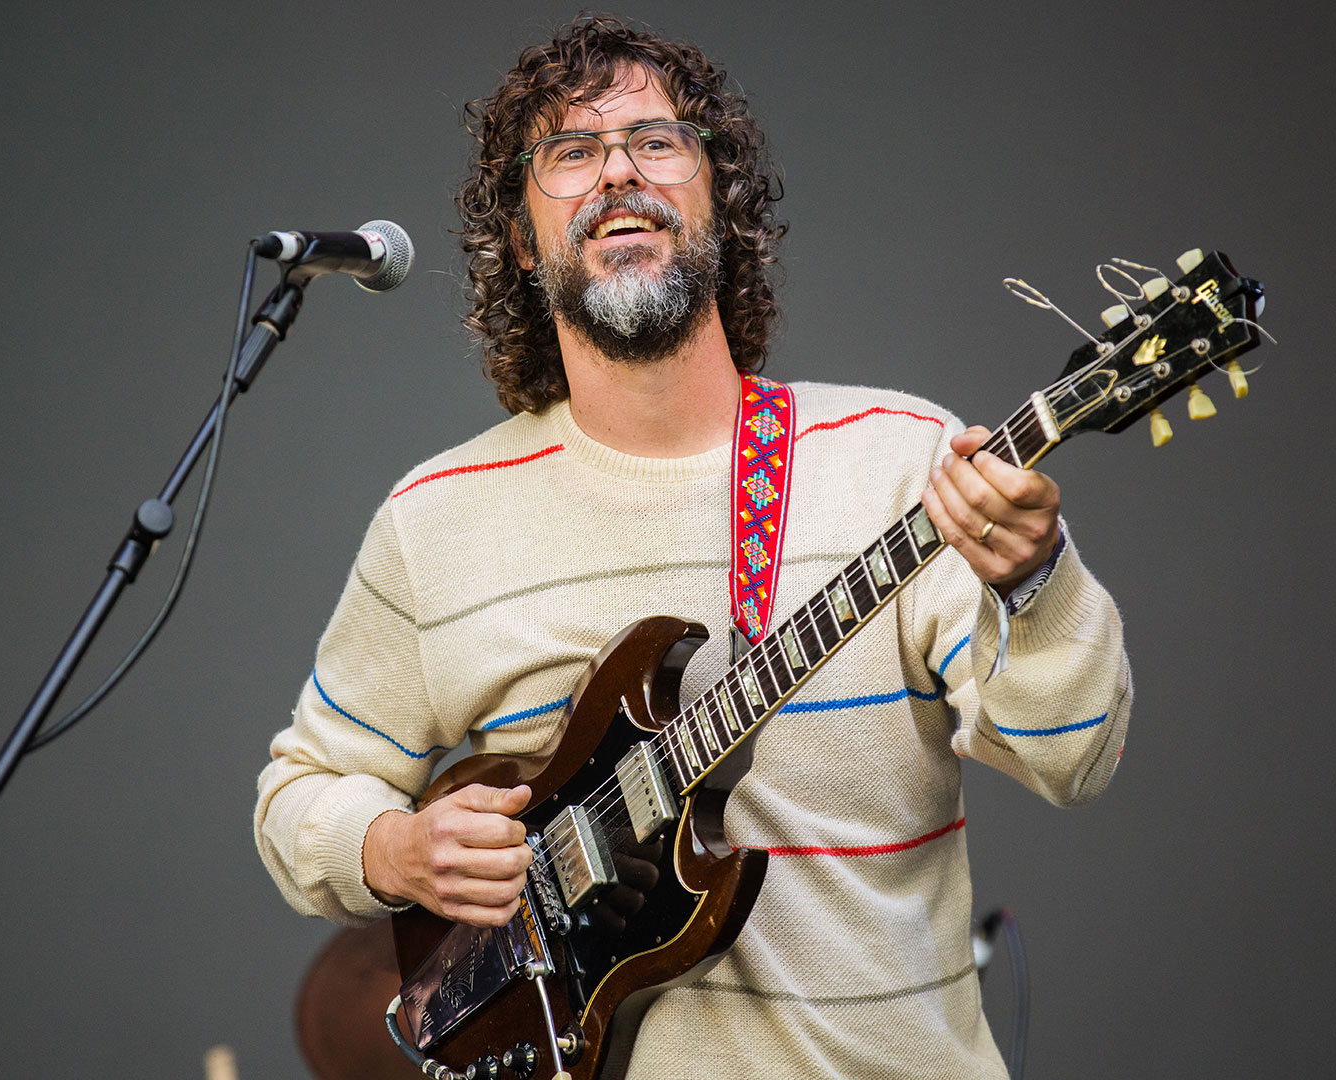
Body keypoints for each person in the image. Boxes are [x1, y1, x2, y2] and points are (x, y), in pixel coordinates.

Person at [255, 16, 1131, 1079]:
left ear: (720, 200)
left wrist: (1034, 581)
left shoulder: (902, 463)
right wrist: (394, 849)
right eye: (570, 152)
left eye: (657, 142)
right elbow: (301, 793)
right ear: (523, 240)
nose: (619, 171)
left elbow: (1072, 758)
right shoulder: (437, 518)